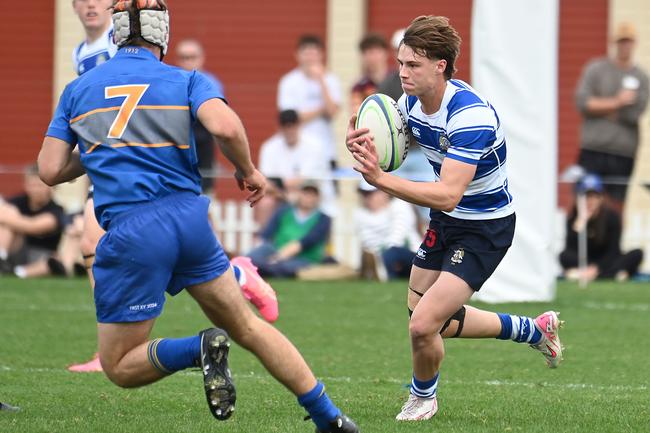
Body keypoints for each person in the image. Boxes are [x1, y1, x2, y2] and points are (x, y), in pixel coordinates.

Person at [38, 2, 357, 431]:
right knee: (247, 325)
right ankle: (329, 417)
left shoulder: (80, 89)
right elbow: (225, 127)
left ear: (114, 36)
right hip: (189, 222)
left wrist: (103, 147)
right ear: (162, 38)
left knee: (118, 365)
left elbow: (50, 169)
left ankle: (197, 349)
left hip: (134, 231)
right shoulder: (188, 79)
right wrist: (249, 172)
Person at [346, 15, 564, 422]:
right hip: (447, 222)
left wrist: (380, 179)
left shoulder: (469, 116)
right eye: (401, 63)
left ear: (440, 65)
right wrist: (361, 142)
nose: (402, 73)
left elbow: (448, 194)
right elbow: (389, 142)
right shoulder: (409, 105)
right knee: (430, 323)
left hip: (485, 227)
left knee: (423, 325)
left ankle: (423, 397)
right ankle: (532, 330)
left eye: (413, 65)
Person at [67, 1, 277, 373]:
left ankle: (113, 349)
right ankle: (112, 344)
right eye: (81, 1)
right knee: (95, 243)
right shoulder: (81, 53)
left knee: (103, 243)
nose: (89, 6)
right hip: (116, 166)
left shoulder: (129, 44)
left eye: (96, 0)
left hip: (144, 168)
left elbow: (217, 123)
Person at [575, 22, 649, 208]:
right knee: (585, 201)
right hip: (593, 149)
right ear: (614, 43)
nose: (625, 46)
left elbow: (634, 113)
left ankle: (613, 238)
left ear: (634, 44)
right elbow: (583, 102)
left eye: (628, 41)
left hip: (623, 153)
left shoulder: (641, 77)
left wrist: (601, 108)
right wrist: (618, 101)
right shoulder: (596, 69)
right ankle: (583, 237)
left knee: (616, 205)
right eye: (621, 41)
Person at [560, 174, 643, 282]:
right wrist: (579, 226)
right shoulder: (573, 220)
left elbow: (613, 251)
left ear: (601, 198)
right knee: (563, 256)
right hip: (586, 262)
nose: (590, 201)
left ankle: (593, 275)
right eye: (586, 196)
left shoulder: (612, 217)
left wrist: (596, 269)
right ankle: (612, 275)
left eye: (594, 196)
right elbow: (570, 251)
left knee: (636, 254)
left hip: (607, 261)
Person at [277, 35, 342, 169]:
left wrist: (321, 81)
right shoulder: (288, 82)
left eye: (314, 53)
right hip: (298, 151)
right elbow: (291, 117)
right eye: (306, 53)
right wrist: (320, 109)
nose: (310, 58)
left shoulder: (331, 80)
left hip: (327, 150)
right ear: (297, 55)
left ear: (321, 55)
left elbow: (332, 111)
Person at [258, 109, 336, 215]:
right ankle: (265, 232)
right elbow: (266, 183)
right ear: (279, 128)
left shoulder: (315, 145)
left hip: (313, 195)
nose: (289, 131)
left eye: (292, 126)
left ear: (299, 125)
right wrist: (283, 193)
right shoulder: (269, 147)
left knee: (306, 198)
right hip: (281, 196)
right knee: (266, 203)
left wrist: (282, 185)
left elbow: (308, 179)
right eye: (286, 127)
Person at [247, 181, 331, 278]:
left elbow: (306, 242)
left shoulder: (323, 218)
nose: (308, 198)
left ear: (318, 198)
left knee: (284, 268)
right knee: (250, 258)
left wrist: (277, 258)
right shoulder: (284, 211)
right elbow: (266, 235)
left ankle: (263, 269)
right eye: (306, 193)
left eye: (312, 195)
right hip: (276, 249)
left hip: (304, 257)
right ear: (299, 195)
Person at [175, 39, 225, 194]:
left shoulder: (211, 83)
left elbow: (219, 119)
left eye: (192, 57)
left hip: (203, 146)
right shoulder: (173, 81)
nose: (188, 62)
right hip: (178, 144)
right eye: (184, 57)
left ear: (202, 58)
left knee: (206, 195)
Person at [0, 165, 66, 278]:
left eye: (40, 186)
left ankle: (17, 273)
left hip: (41, 255)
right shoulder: (17, 202)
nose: (36, 190)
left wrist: (9, 217)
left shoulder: (56, 210)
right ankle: (1, 258)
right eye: (32, 185)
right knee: (6, 226)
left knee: (54, 262)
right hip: (18, 250)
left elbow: (33, 226)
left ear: (51, 188)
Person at [354, 180, 420, 280]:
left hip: (411, 256)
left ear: (383, 192)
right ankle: (381, 273)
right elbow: (368, 243)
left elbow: (398, 237)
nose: (366, 198)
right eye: (364, 194)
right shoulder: (360, 214)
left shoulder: (399, 205)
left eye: (370, 194)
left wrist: (379, 257)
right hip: (383, 259)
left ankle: (383, 275)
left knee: (392, 253)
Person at [350, 33, 390, 112]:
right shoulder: (359, 87)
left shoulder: (397, 80)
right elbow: (357, 113)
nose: (371, 57)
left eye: (375, 52)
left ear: (386, 53)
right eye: (366, 53)